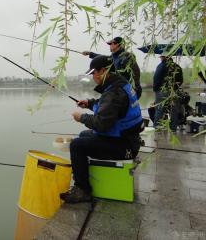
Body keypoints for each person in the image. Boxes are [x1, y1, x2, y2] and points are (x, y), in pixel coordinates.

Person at [60, 55, 143, 203]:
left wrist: (81, 117)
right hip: (127, 139)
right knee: (84, 135)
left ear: (103, 70)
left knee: (77, 145)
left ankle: (83, 190)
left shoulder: (114, 92)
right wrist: (90, 103)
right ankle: (87, 176)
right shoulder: (119, 84)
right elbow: (108, 106)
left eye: (94, 73)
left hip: (125, 146)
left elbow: (101, 124)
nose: (93, 77)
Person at [153, 52, 183, 132]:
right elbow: (180, 80)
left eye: (161, 57)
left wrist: (155, 89)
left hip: (162, 91)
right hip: (174, 91)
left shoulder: (161, 66)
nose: (160, 58)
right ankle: (173, 128)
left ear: (164, 57)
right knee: (174, 109)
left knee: (159, 109)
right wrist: (175, 88)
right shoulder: (177, 67)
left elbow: (156, 79)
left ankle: (157, 127)